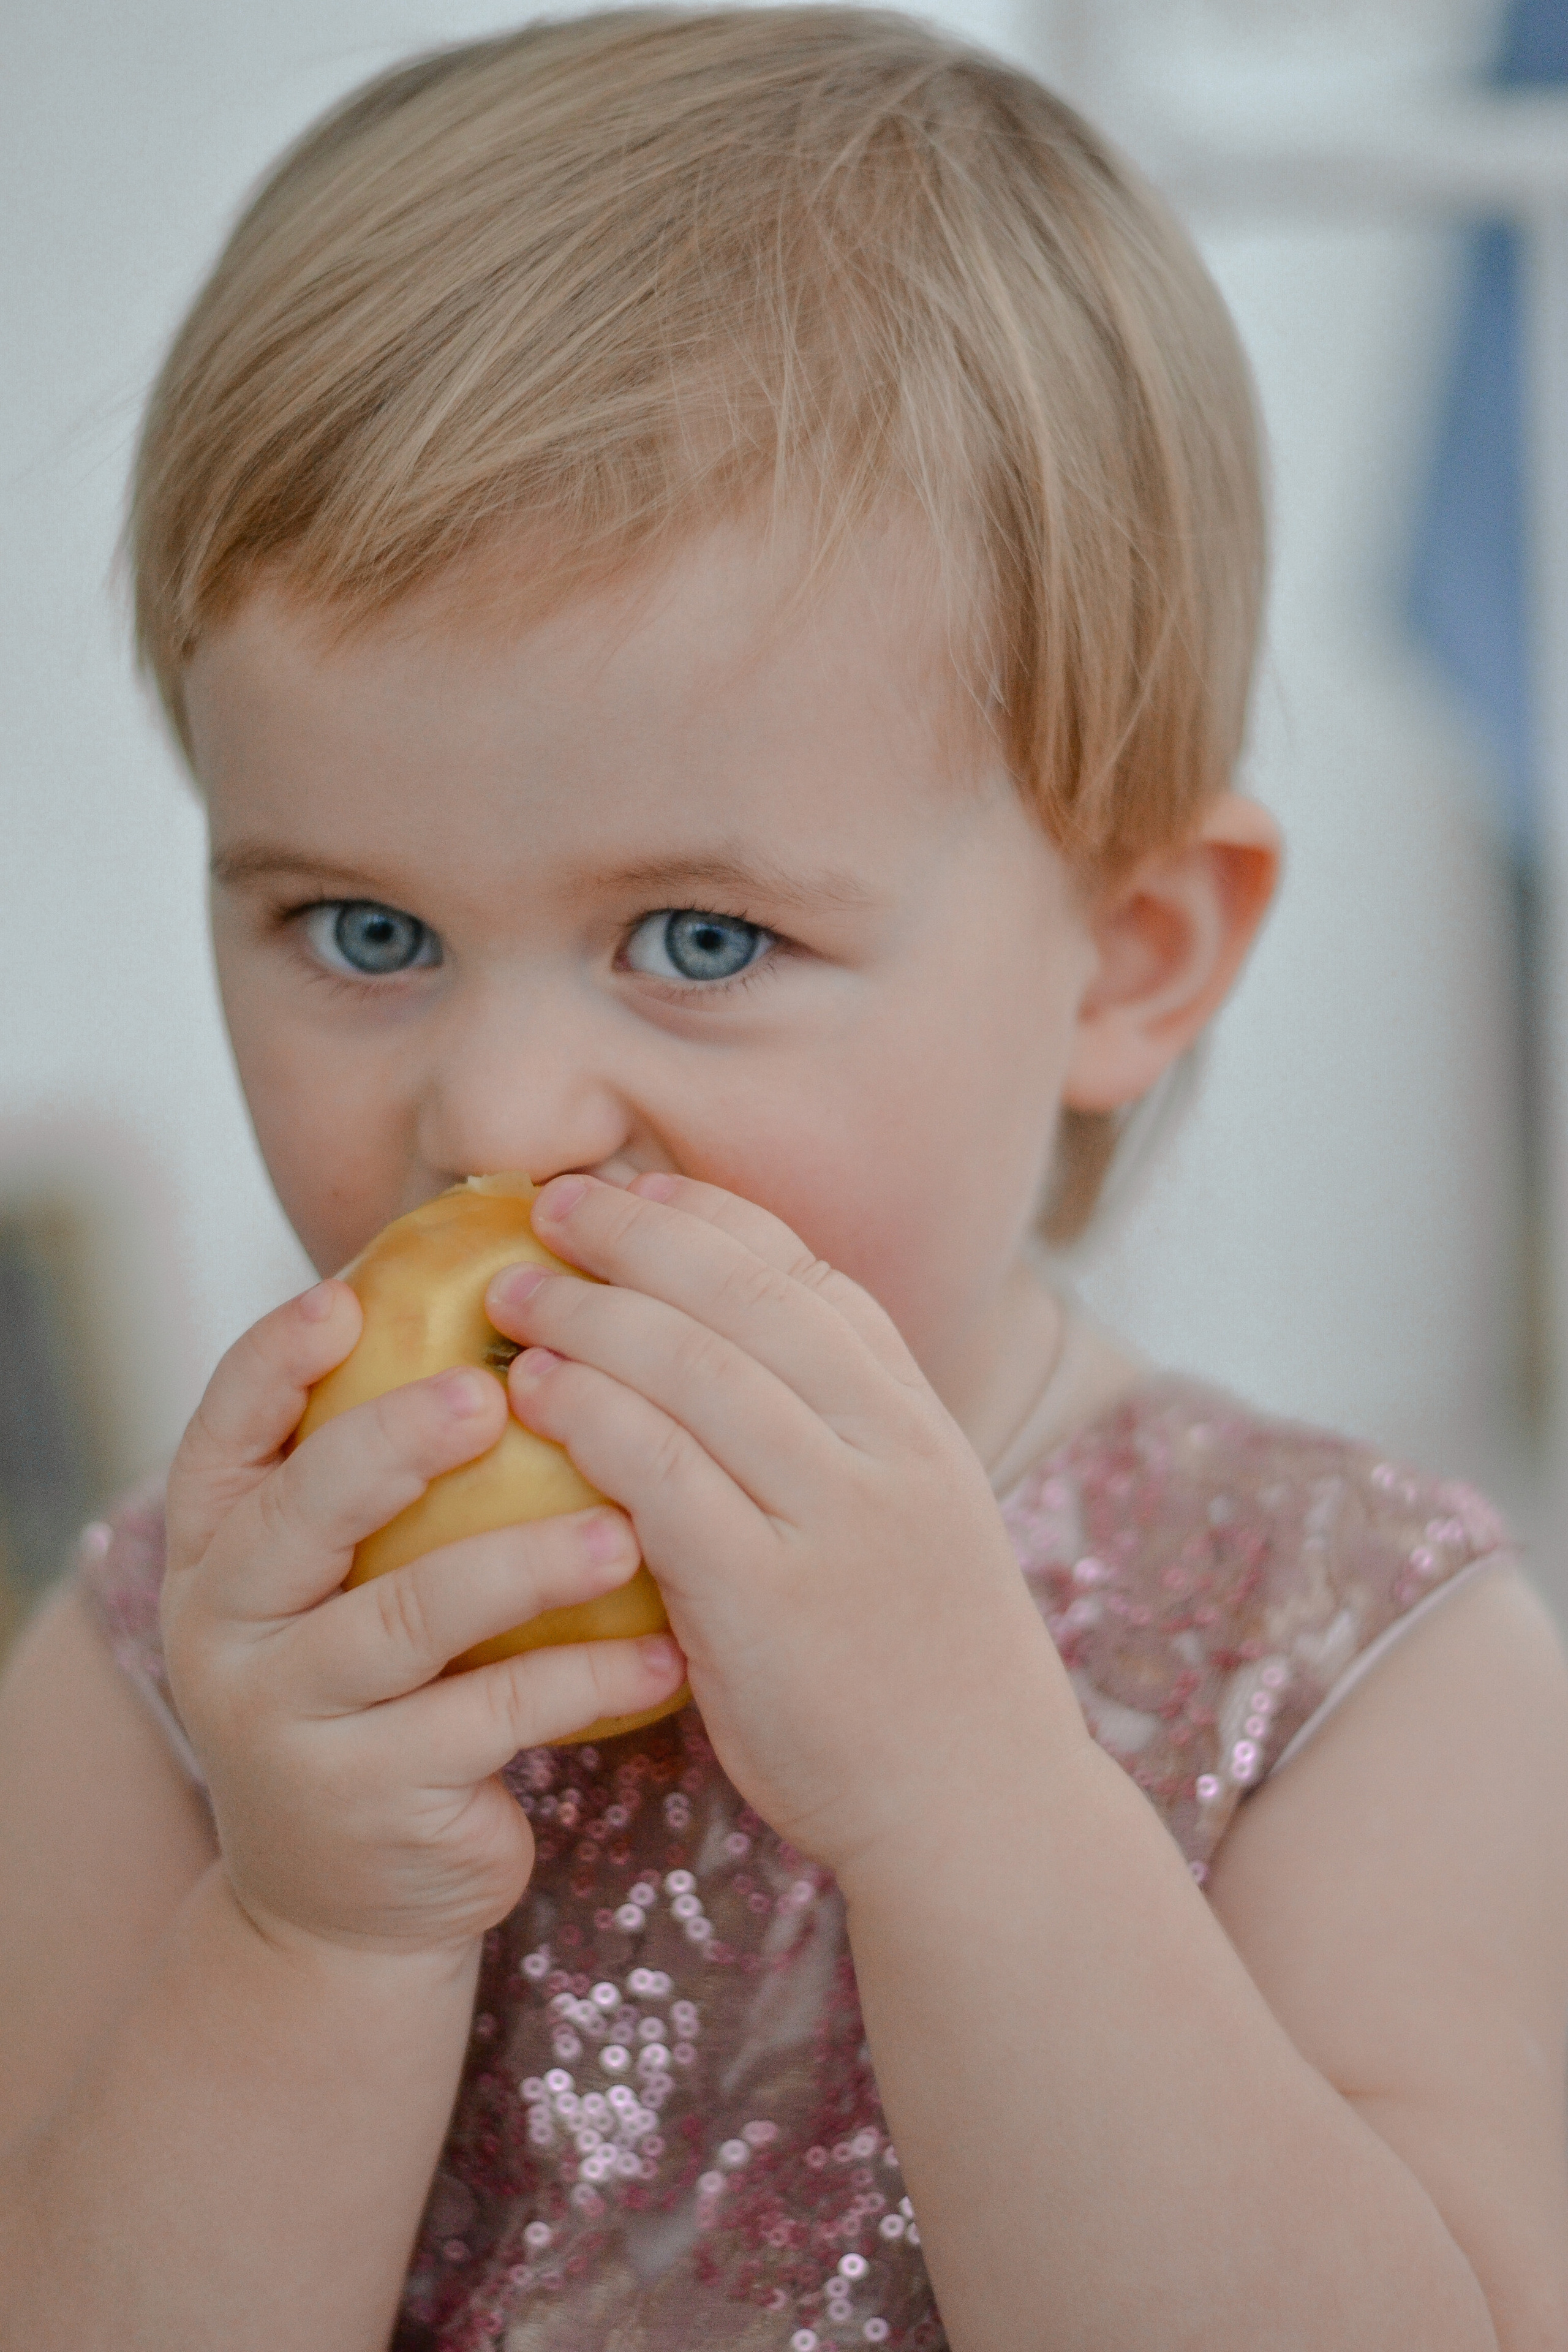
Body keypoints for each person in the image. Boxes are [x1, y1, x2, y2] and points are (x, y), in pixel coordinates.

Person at [1, 11, 1564, 2347]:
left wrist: (972, 1806)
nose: (502, 1119)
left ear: (1129, 960)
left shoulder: (1349, 1654)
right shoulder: (186, 1648)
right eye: (365, 930)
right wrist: (313, 1931)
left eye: (703, 940)